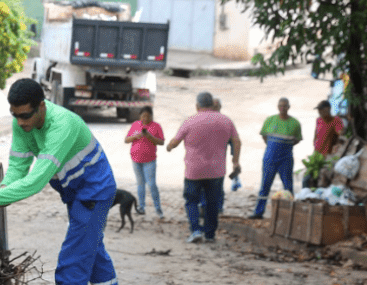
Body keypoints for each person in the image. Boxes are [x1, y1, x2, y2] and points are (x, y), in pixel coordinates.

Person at [0, 78, 138, 285]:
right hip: (74, 193)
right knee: (94, 257)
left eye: (26, 115)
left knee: (72, 262)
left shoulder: (62, 125)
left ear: (41, 106)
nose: (21, 122)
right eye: (15, 116)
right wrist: (4, 192)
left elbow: (37, 180)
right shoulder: (22, 124)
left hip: (94, 193)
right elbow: (19, 168)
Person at [165, 92, 241, 243]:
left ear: (197, 105)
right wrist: (235, 161)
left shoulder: (190, 121)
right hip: (216, 171)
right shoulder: (226, 120)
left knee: (191, 200)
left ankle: (196, 230)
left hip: (194, 171)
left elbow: (175, 141)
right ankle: (210, 234)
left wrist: (169, 146)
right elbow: (237, 141)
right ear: (213, 104)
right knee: (212, 202)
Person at [249, 97, 302, 219]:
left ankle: (290, 213)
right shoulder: (270, 120)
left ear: (289, 107)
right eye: (280, 106)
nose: (282, 108)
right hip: (269, 159)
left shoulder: (295, 123)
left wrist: (285, 145)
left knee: (288, 187)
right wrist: (273, 147)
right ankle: (258, 212)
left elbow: (297, 139)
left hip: (286, 160)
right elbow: (264, 137)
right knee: (264, 186)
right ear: (278, 107)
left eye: (285, 106)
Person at [123, 105, 164, 217]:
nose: (145, 118)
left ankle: (158, 208)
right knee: (140, 184)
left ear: (151, 116)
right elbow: (126, 140)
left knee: (151, 184)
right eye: (143, 116)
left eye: (147, 116)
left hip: (149, 160)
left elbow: (161, 142)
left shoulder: (156, 126)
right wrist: (135, 136)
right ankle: (141, 207)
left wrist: (150, 137)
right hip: (136, 160)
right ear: (140, 116)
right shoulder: (135, 125)